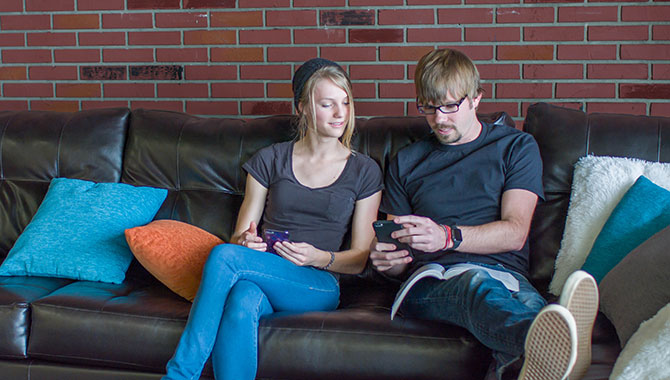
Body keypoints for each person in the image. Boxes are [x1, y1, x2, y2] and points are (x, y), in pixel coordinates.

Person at [369, 48, 598, 380]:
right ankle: (552, 344)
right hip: (432, 279)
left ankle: (540, 353)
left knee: (530, 327)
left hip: (508, 278)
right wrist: (389, 262)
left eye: (450, 106)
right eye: (428, 108)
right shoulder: (407, 161)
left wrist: (446, 236)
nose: (439, 119)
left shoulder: (516, 148)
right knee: (478, 285)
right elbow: (398, 250)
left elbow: (515, 231)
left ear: (476, 98)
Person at [163, 58, 383, 380]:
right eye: (327, 104)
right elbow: (240, 236)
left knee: (225, 257)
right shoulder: (271, 159)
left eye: (345, 102)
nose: (340, 113)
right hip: (264, 270)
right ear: (303, 108)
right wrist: (245, 241)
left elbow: (361, 259)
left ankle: (179, 375)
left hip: (317, 282)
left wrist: (320, 257)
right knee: (242, 299)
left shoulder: (364, 170)